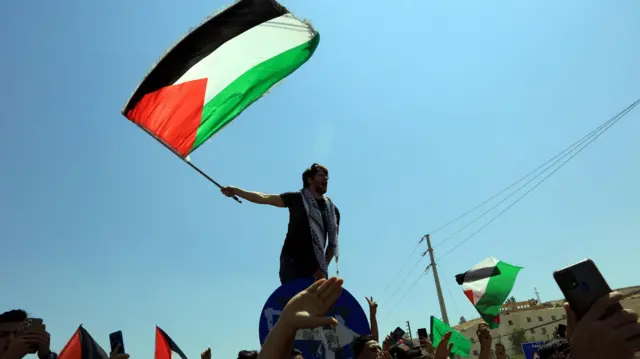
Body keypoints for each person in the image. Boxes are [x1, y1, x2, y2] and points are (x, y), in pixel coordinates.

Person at [221, 163, 340, 283]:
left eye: (327, 177)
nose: (325, 179)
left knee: (314, 301)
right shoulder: (296, 198)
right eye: (321, 175)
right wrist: (236, 191)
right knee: (291, 299)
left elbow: (332, 244)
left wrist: (322, 268)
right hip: (291, 263)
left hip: (315, 268)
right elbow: (264, 198)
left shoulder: (332, 211)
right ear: (310, 179)